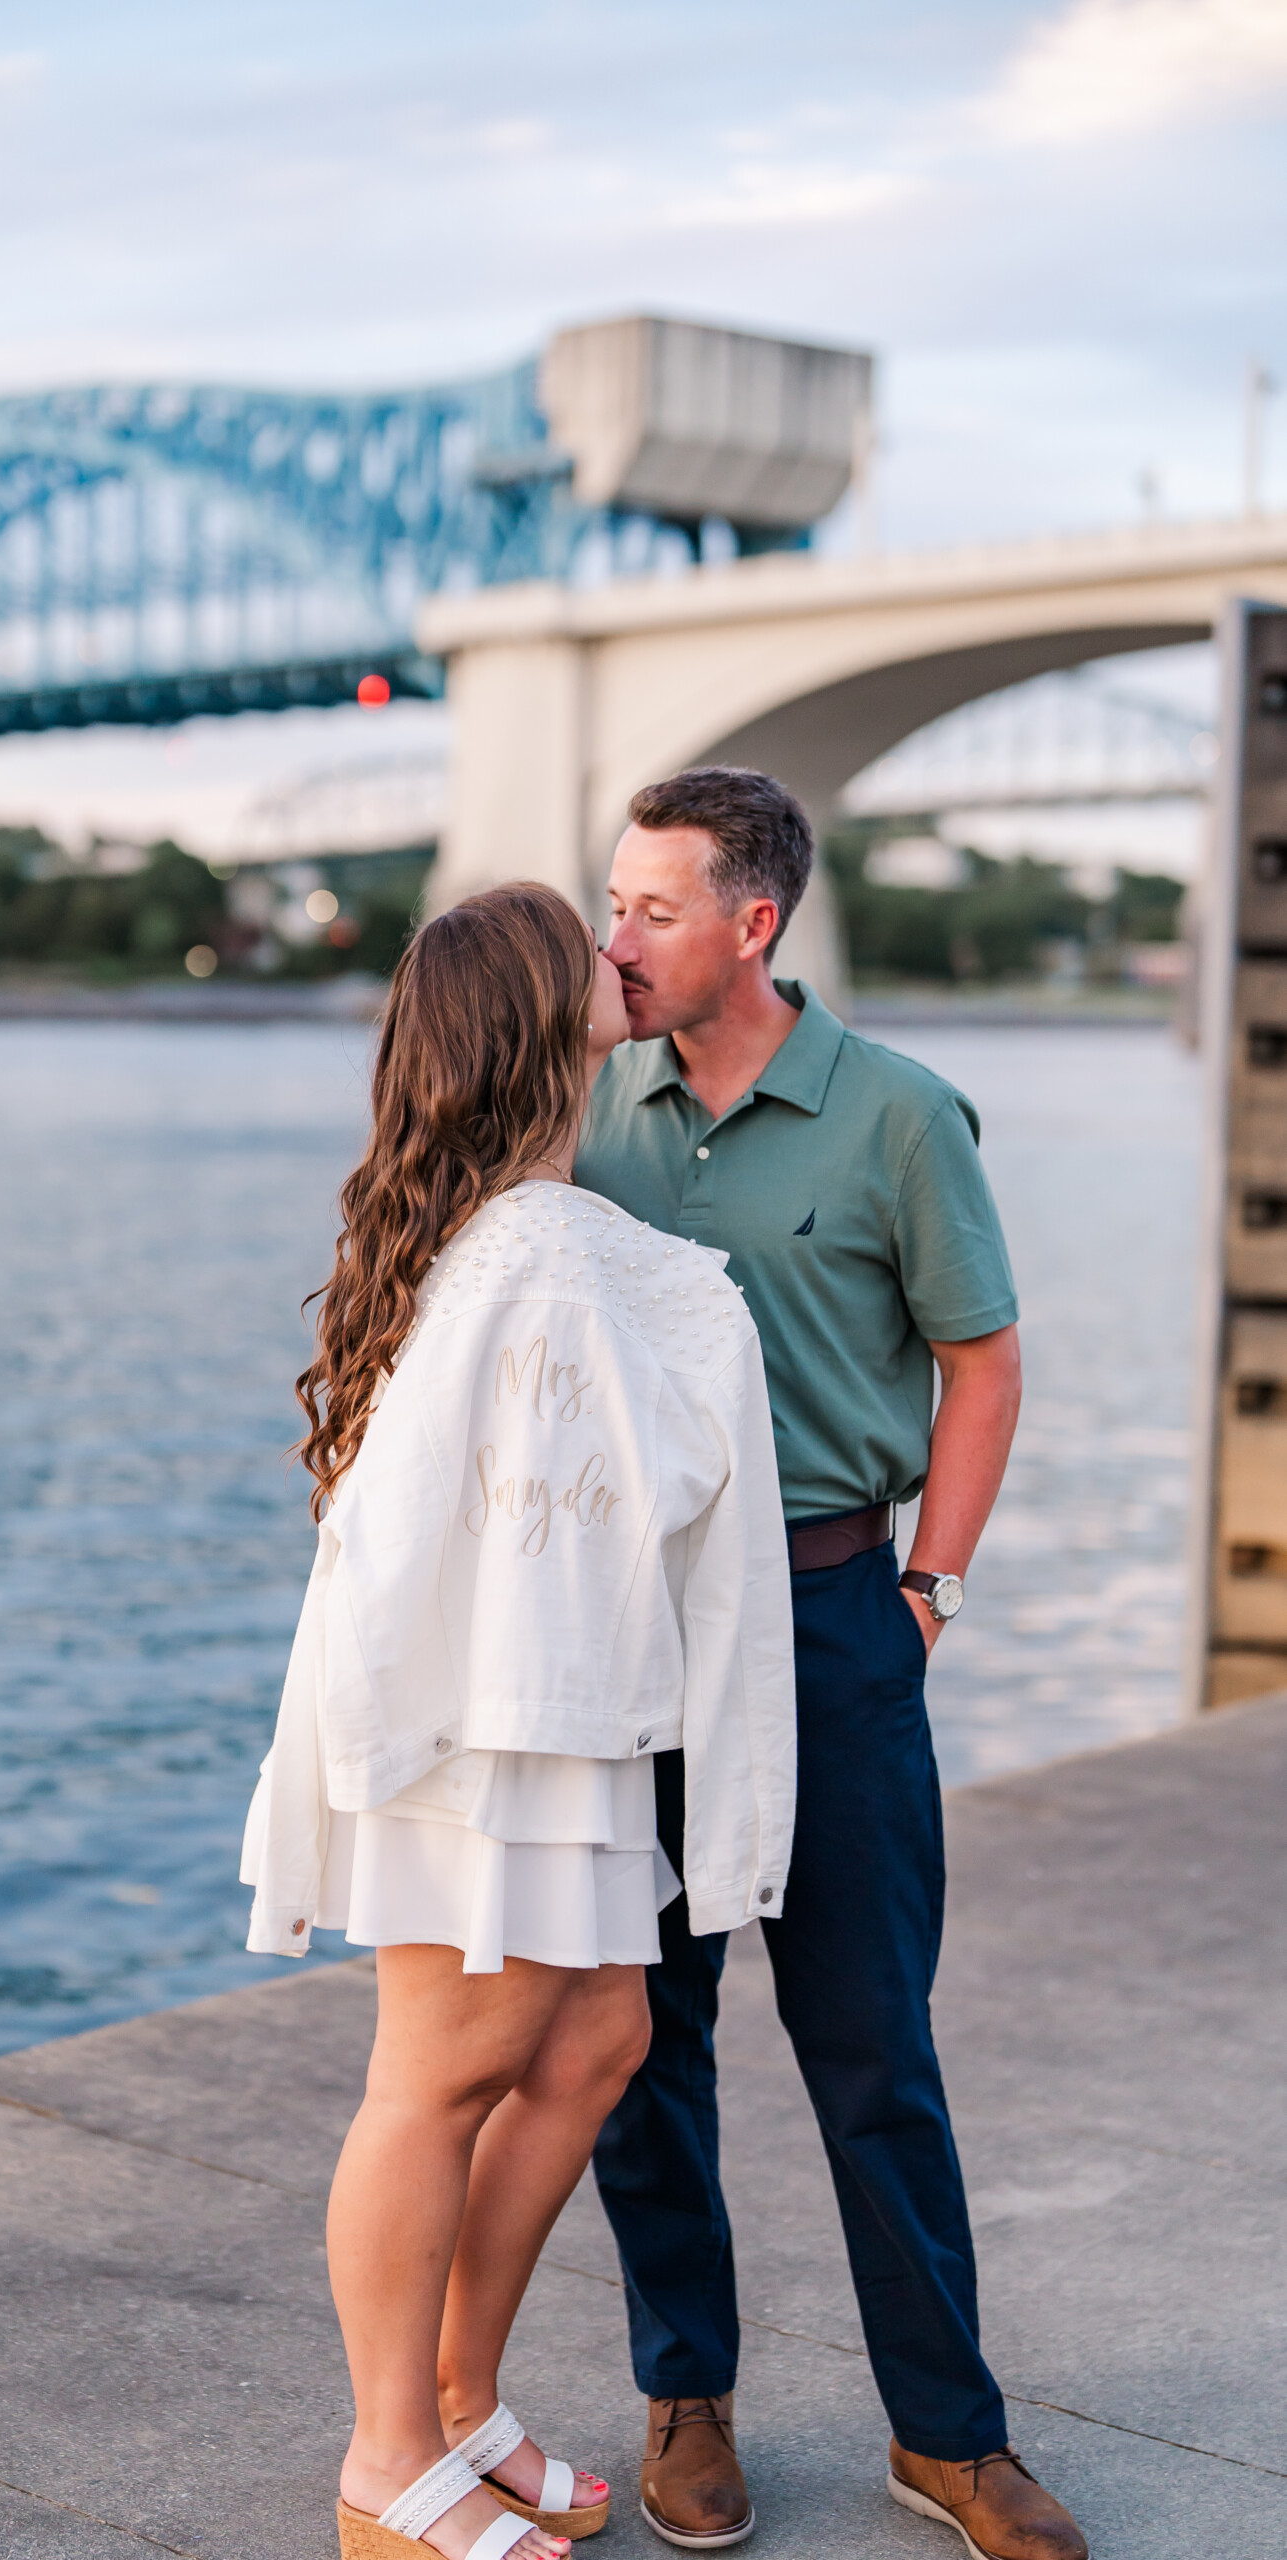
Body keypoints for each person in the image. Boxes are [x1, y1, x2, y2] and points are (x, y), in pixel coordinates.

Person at [242, 882, 797, 2560]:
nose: (625, 956)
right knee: (443, 2070)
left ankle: (462, 2395)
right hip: (488, 1727)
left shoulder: (520, 1231)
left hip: (554, 1716)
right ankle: (384, 2455)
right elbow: (442, 1531)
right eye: (596, 943)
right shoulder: (557, 1256)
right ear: (545, 1020)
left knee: (597, 2044)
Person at [575, 768, 1088, 2560]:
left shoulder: (895, 1117)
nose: (613, 937)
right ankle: (685, 2394)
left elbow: (986, 1361)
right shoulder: (580, 1108)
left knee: (874, 2048)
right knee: (644, 2038)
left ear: (755, 923)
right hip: (630, 1636)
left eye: (649, 909)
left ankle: (948, 2436)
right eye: (612, 901)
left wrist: (925, 1589)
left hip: (828, 1617)